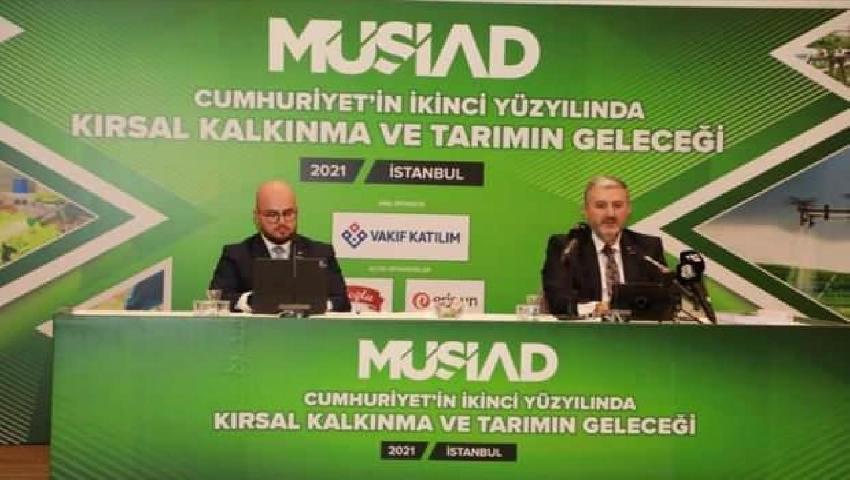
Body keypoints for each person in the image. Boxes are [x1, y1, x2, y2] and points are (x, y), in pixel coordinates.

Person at [209, 180, 351, 312]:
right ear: (256, 217)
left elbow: (342, 302)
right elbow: (218, 298)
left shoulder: (321, 253)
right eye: (272, 215)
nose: (282, 221)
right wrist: (252, 301)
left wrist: (315, 304)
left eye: (288, 214)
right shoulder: (236, 255)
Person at [541, 175, 667, 316]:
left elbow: (663, 301)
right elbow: (558, 302)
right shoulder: (567, 247)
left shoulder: (647, 248)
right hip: (585, 328)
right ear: (585, 211)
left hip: (636, 328)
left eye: (617, 206)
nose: (610, 214)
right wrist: (596, 308)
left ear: (628, 210)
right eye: (601, 206)